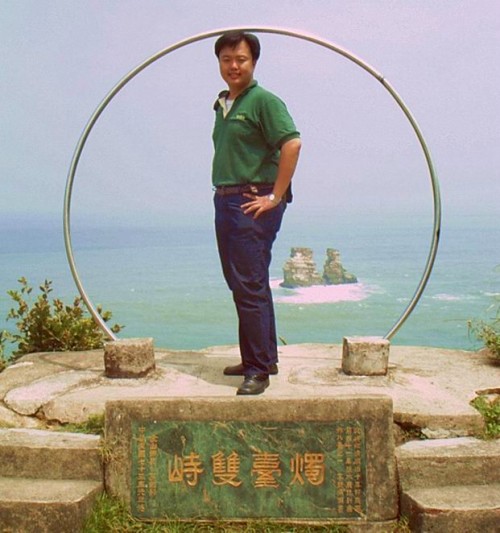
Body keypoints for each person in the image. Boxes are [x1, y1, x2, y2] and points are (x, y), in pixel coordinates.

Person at [212, 31, 302, 395]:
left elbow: (292, 143)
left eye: (241, 59)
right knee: (245, 283)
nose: (234, 66)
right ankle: (262, 357)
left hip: (251, 201)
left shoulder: (263, 101)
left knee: (248, 285)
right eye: (227, 59)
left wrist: (275, 196)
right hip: (226, 199)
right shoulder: (223, 104)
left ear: (254, 62)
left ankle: (257, 370)